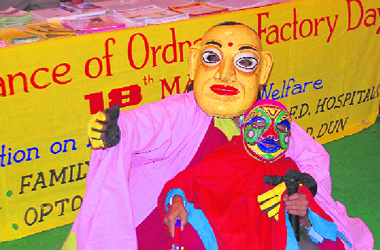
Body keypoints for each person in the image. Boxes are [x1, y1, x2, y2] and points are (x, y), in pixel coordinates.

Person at [62, 22, 373, 250]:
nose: (226, 74)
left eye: (245, 63)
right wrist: (116, 128)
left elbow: (312, 157)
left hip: (254, 214)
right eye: (212, 59)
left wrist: (301, 192)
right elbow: (145, 123)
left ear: (263, 71)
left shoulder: (267, 120)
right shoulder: (181, 110)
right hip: (186, 209)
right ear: (194, 62)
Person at [159, 99, 347, 250]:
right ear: (244, 127)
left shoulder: (288, 169)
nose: (271, 133)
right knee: (190, 232)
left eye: (281, 128)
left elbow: (306, 226)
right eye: (259, 123)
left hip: (272, 240)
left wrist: (303, 214)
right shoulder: (228, 154)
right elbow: (188, 181)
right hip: (220, 230)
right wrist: (177, 201)